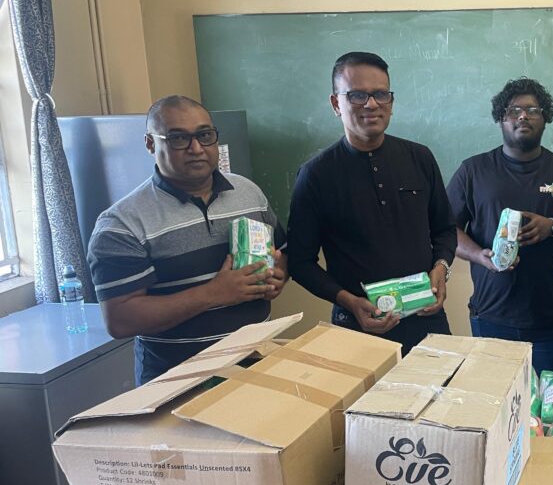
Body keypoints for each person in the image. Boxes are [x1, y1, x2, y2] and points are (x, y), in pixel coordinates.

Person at [88, 95, 287, 385]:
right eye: (178, 138)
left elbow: (282, 251)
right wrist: (214, 293)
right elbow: (120, 320)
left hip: (257, 367)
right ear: (150, 144)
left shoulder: (248, 192)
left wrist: (277, 277)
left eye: (205, 135)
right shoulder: (122, 224)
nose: (196, 148)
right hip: (178, 384)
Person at [287, 51, 456, 354]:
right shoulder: (316, 175)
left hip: (427, 321)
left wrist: (441, 268)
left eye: (381, 94)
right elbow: (300, 262)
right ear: (336, 104)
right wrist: (349, 301)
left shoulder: (420, 158)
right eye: (357, 95)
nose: (372, 104)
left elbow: (444, 229)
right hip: (358, 326)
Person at [447, 77, 553, 373]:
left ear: (545, 118)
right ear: (501, 118)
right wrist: (479, 255)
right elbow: (446, 229)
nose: (523, 116)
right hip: (492, 316)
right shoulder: (473, 170)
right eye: (514, 110)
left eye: (533, 110)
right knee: (494, 398)